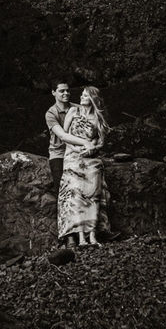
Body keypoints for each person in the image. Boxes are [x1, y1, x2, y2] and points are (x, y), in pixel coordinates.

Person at [58, 85, 110, 248]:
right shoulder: (73, 112)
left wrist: (92, 149)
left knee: (93, 195)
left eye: (85, 95)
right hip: (73, 157)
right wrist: (76, 149)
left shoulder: (98, 118)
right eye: (82, 94)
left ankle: (92, 235)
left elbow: (101, 141)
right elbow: (64, 136)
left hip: (90, 158)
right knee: (76, 195)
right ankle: (80, 236)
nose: (81, 97)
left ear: (93, 99)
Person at [45, 79, 94, 196]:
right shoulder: (51, 113)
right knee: (62, 189)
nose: (66, 93)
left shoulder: (78, 108)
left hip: (77, 151)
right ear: (53, 92)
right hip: (59, 153)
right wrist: (85, 143)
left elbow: (91, 127)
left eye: (67, 90)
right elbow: (62, 135)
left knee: (85, 187)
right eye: (62, 91)